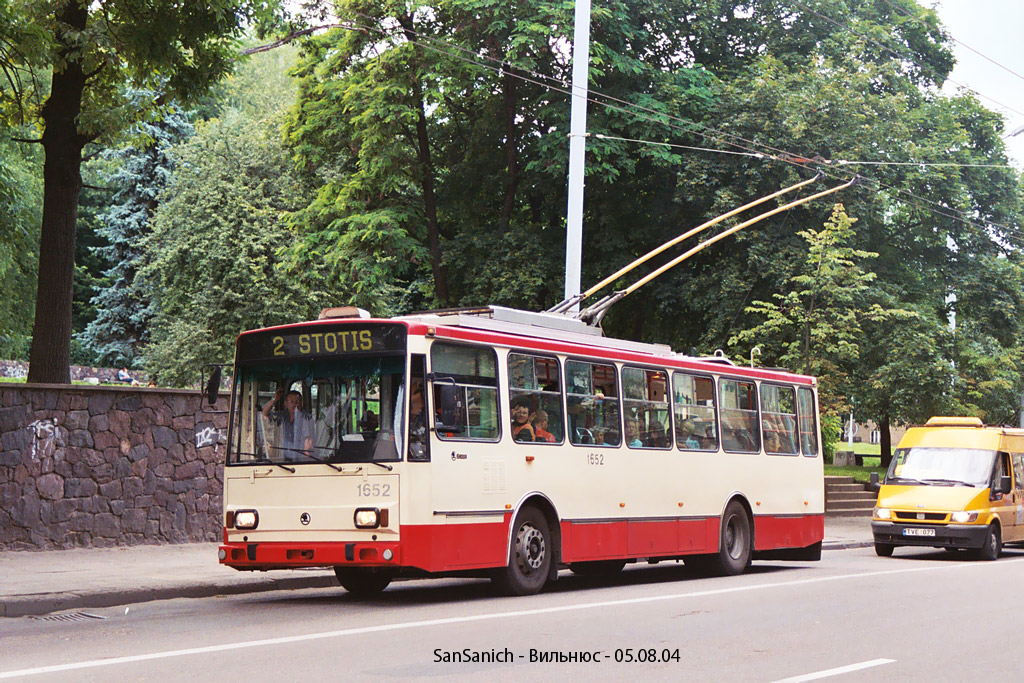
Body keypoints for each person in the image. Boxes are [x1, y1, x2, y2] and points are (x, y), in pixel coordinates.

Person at [262, 388, 313, 460]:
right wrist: (274, 399)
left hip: (299, 458)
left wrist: (306, 456)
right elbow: (264, 413)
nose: (294, 404)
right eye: (291, 402)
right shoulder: (281, 416)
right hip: (282, 458)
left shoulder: (305, 417)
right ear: (286, 403)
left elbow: (308, 439)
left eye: (297, 402)